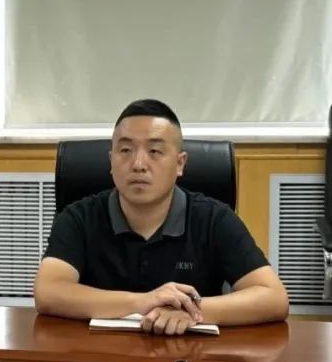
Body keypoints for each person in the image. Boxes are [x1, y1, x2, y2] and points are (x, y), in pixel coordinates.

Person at [34, 98, 288, 335]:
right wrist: (142, 302)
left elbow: (273, 297)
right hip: (100, 357)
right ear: (111, 161)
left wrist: (189, 311)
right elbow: (48, 291)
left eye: (155, 151)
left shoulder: (214, 219)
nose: (138, 164)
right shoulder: (78, 217)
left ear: (180, 164)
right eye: (125, 150)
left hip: (190, 360)